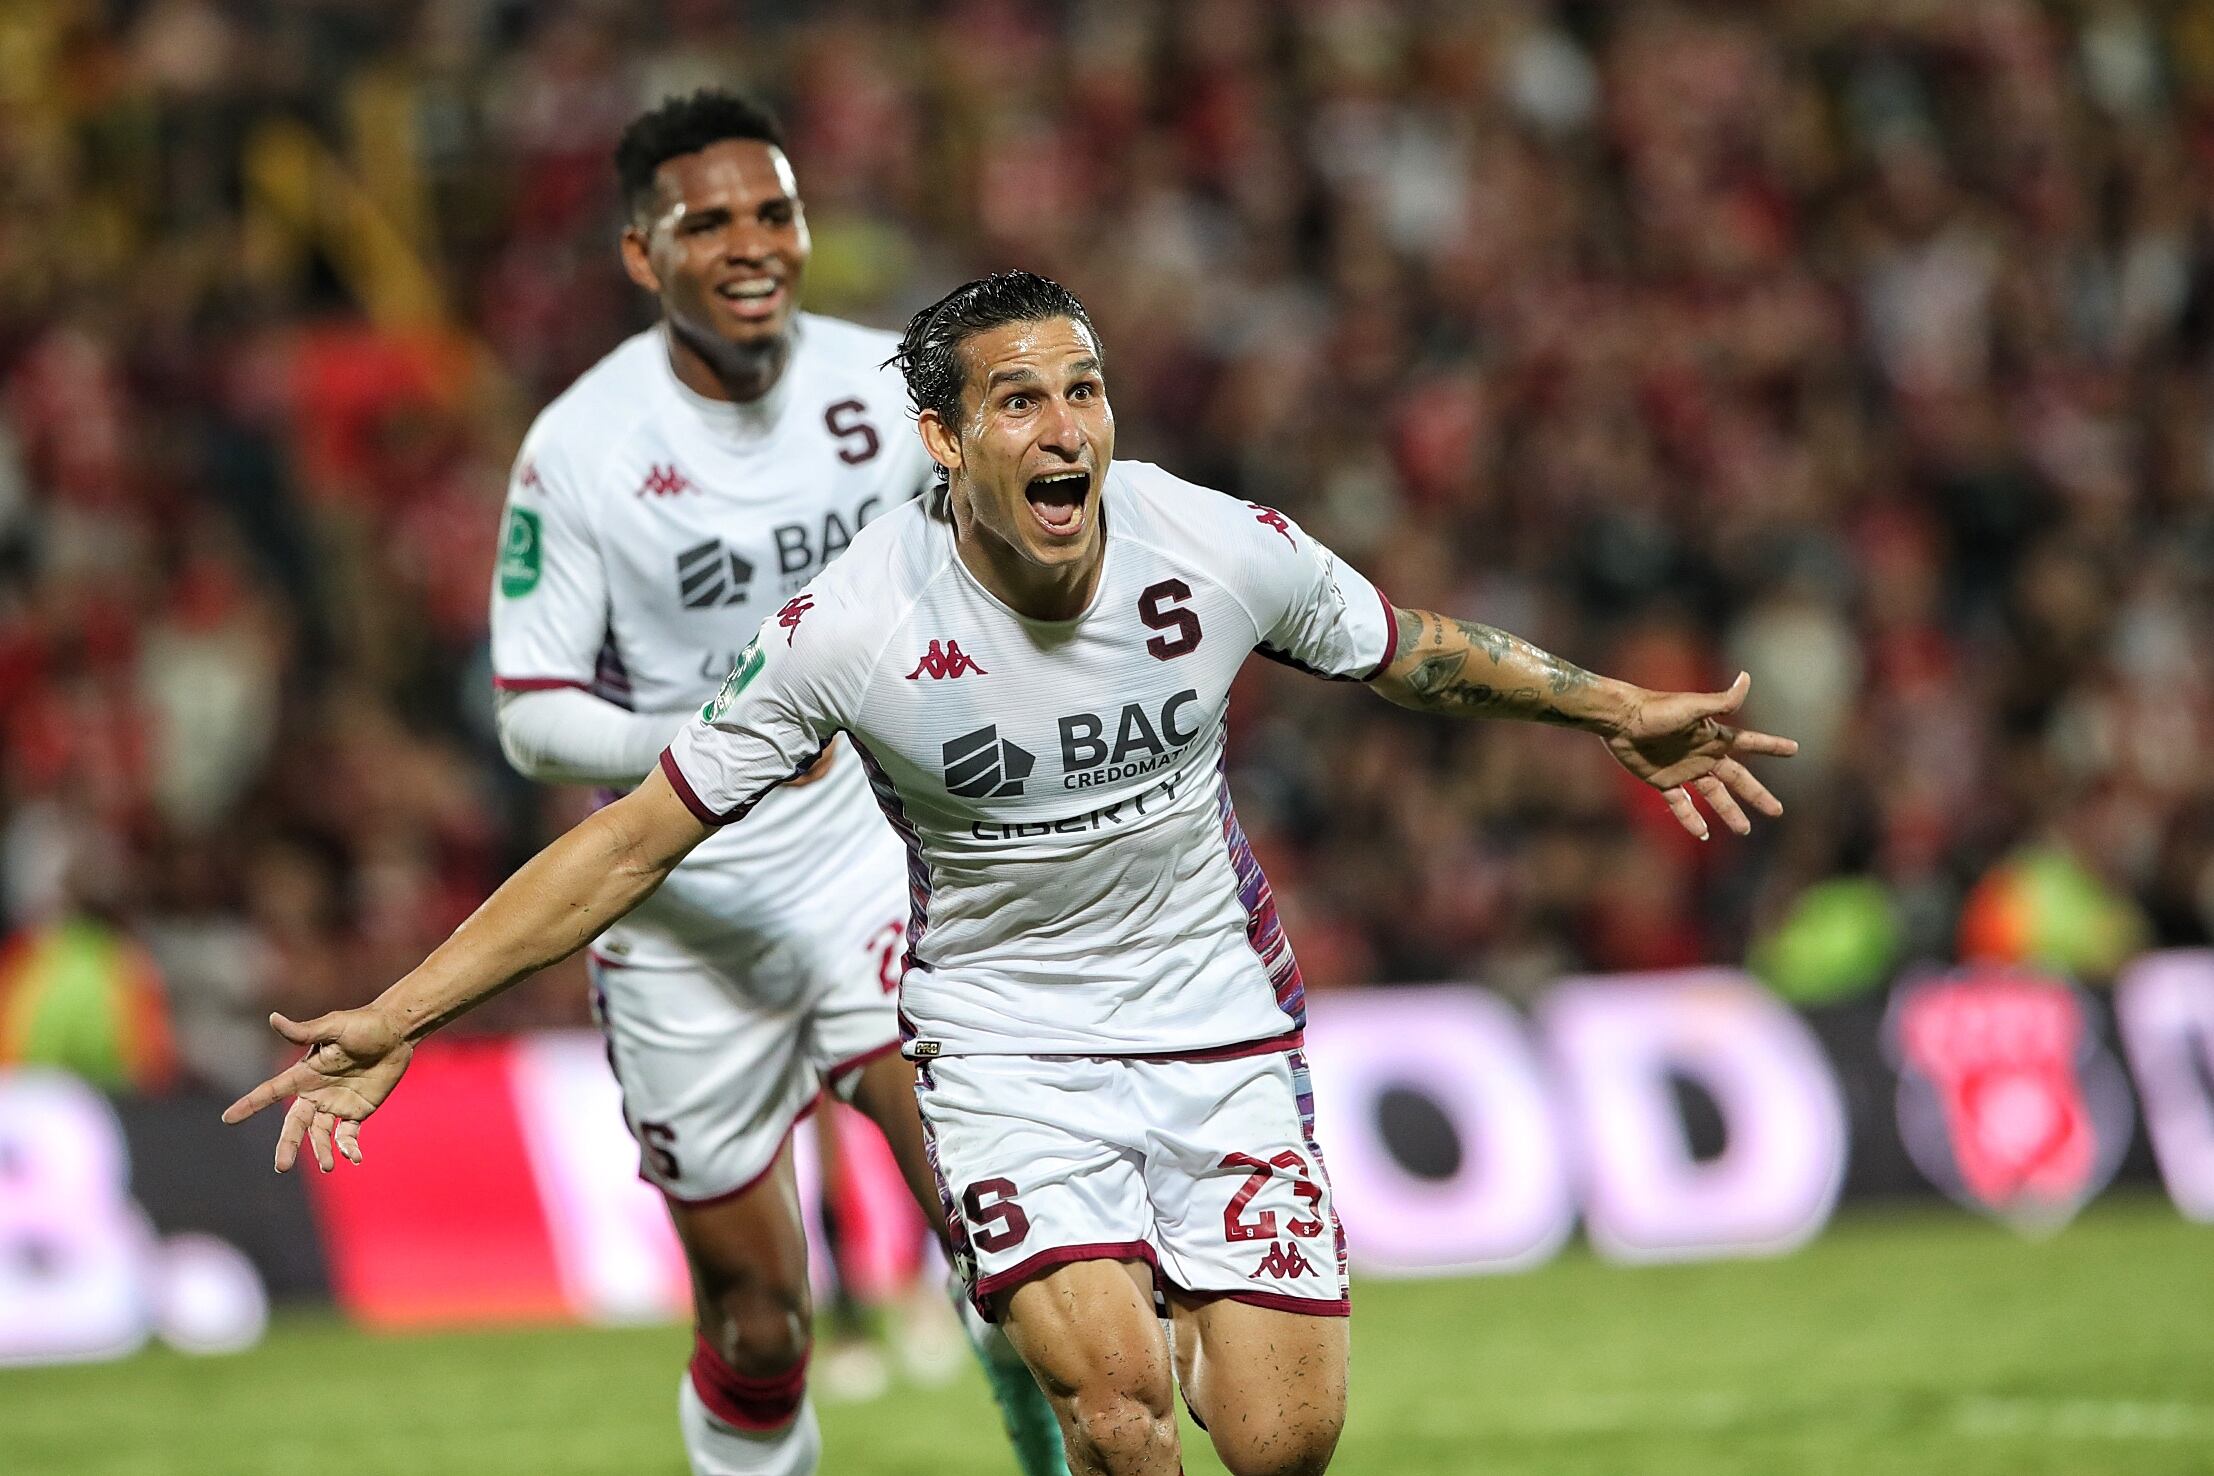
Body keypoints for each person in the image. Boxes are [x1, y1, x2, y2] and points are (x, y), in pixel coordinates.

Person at [226, 270, 1795, 1476]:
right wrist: (404, 1015)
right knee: (1117, 1427)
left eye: (1086, 392)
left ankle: (1179, 1295)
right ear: (945, 438)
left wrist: (1611, 713)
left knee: (1278, 1444)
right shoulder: (848, 626)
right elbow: (633, 836)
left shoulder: (1217, 542)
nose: (1067, 432)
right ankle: (1110, 1317)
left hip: (1217, 1024)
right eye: (1022, 402)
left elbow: (1415, 654)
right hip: (1001, 1048)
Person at [481, 92, 1063, 1476]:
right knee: (756, 1329)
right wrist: (707, 737)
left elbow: (1000, 577)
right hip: (680, 910)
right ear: (643, 256)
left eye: (774, 212)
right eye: (709, 222)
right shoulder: (581, 449)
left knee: (1000, 1233)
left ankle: (1050, 1449)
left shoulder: (889, 387)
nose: (752, 244)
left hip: (867, 858)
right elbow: (531, 716)